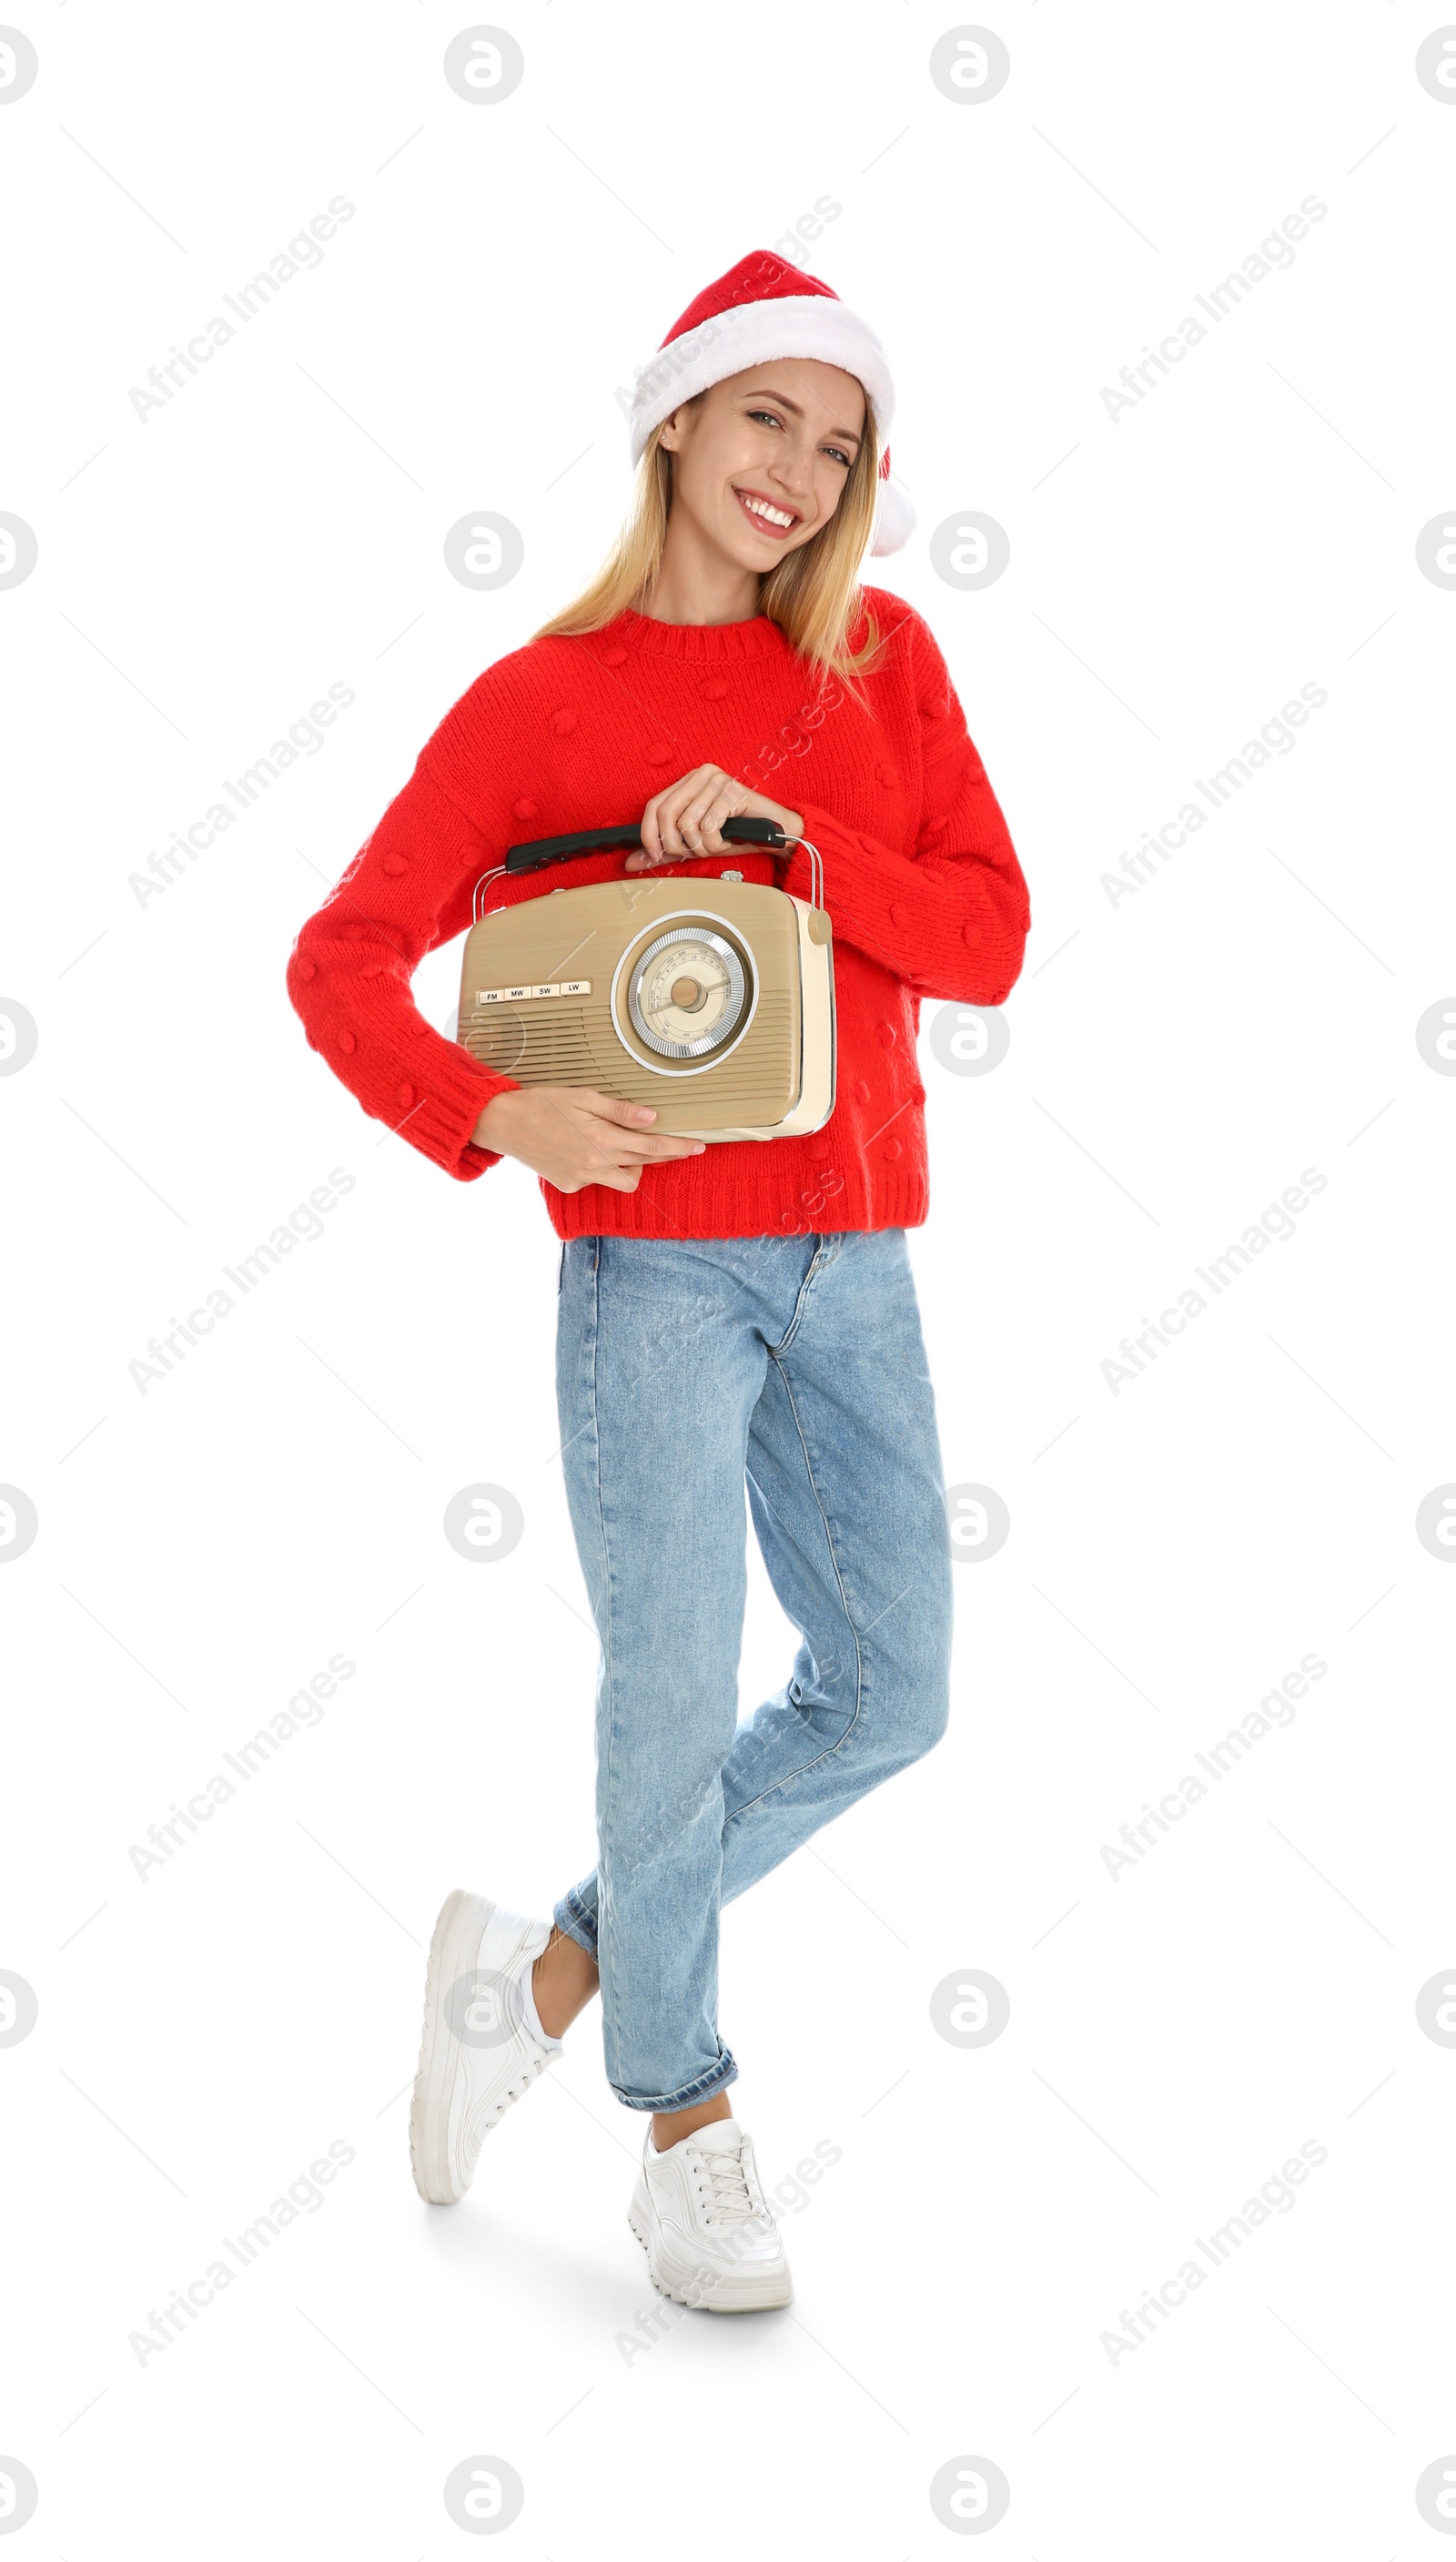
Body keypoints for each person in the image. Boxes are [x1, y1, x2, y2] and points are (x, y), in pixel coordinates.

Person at [286, 248, 1031, 2313]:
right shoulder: (539, 702)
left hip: (858, 1252)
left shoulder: (884, 663)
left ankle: (533, 1971)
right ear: (675, 420)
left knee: (891, 1690)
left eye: (840, 438)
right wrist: (486, 1115)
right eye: (763, 415)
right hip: (653, 1278)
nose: (797, 466)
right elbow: (338, 961)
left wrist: (796, 834)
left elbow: (983, 939)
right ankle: (681, 2117)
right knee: (670, 1688)